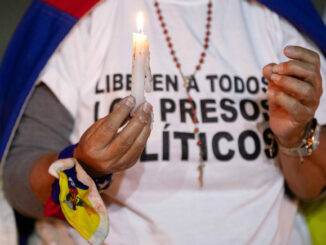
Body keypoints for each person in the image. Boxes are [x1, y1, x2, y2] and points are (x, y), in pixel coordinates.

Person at [1, 0, 326, 244]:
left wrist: (295, 135)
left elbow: (311, 187)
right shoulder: (77, 14)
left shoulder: (278, 17)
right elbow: (19, 181)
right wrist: (83, 169)